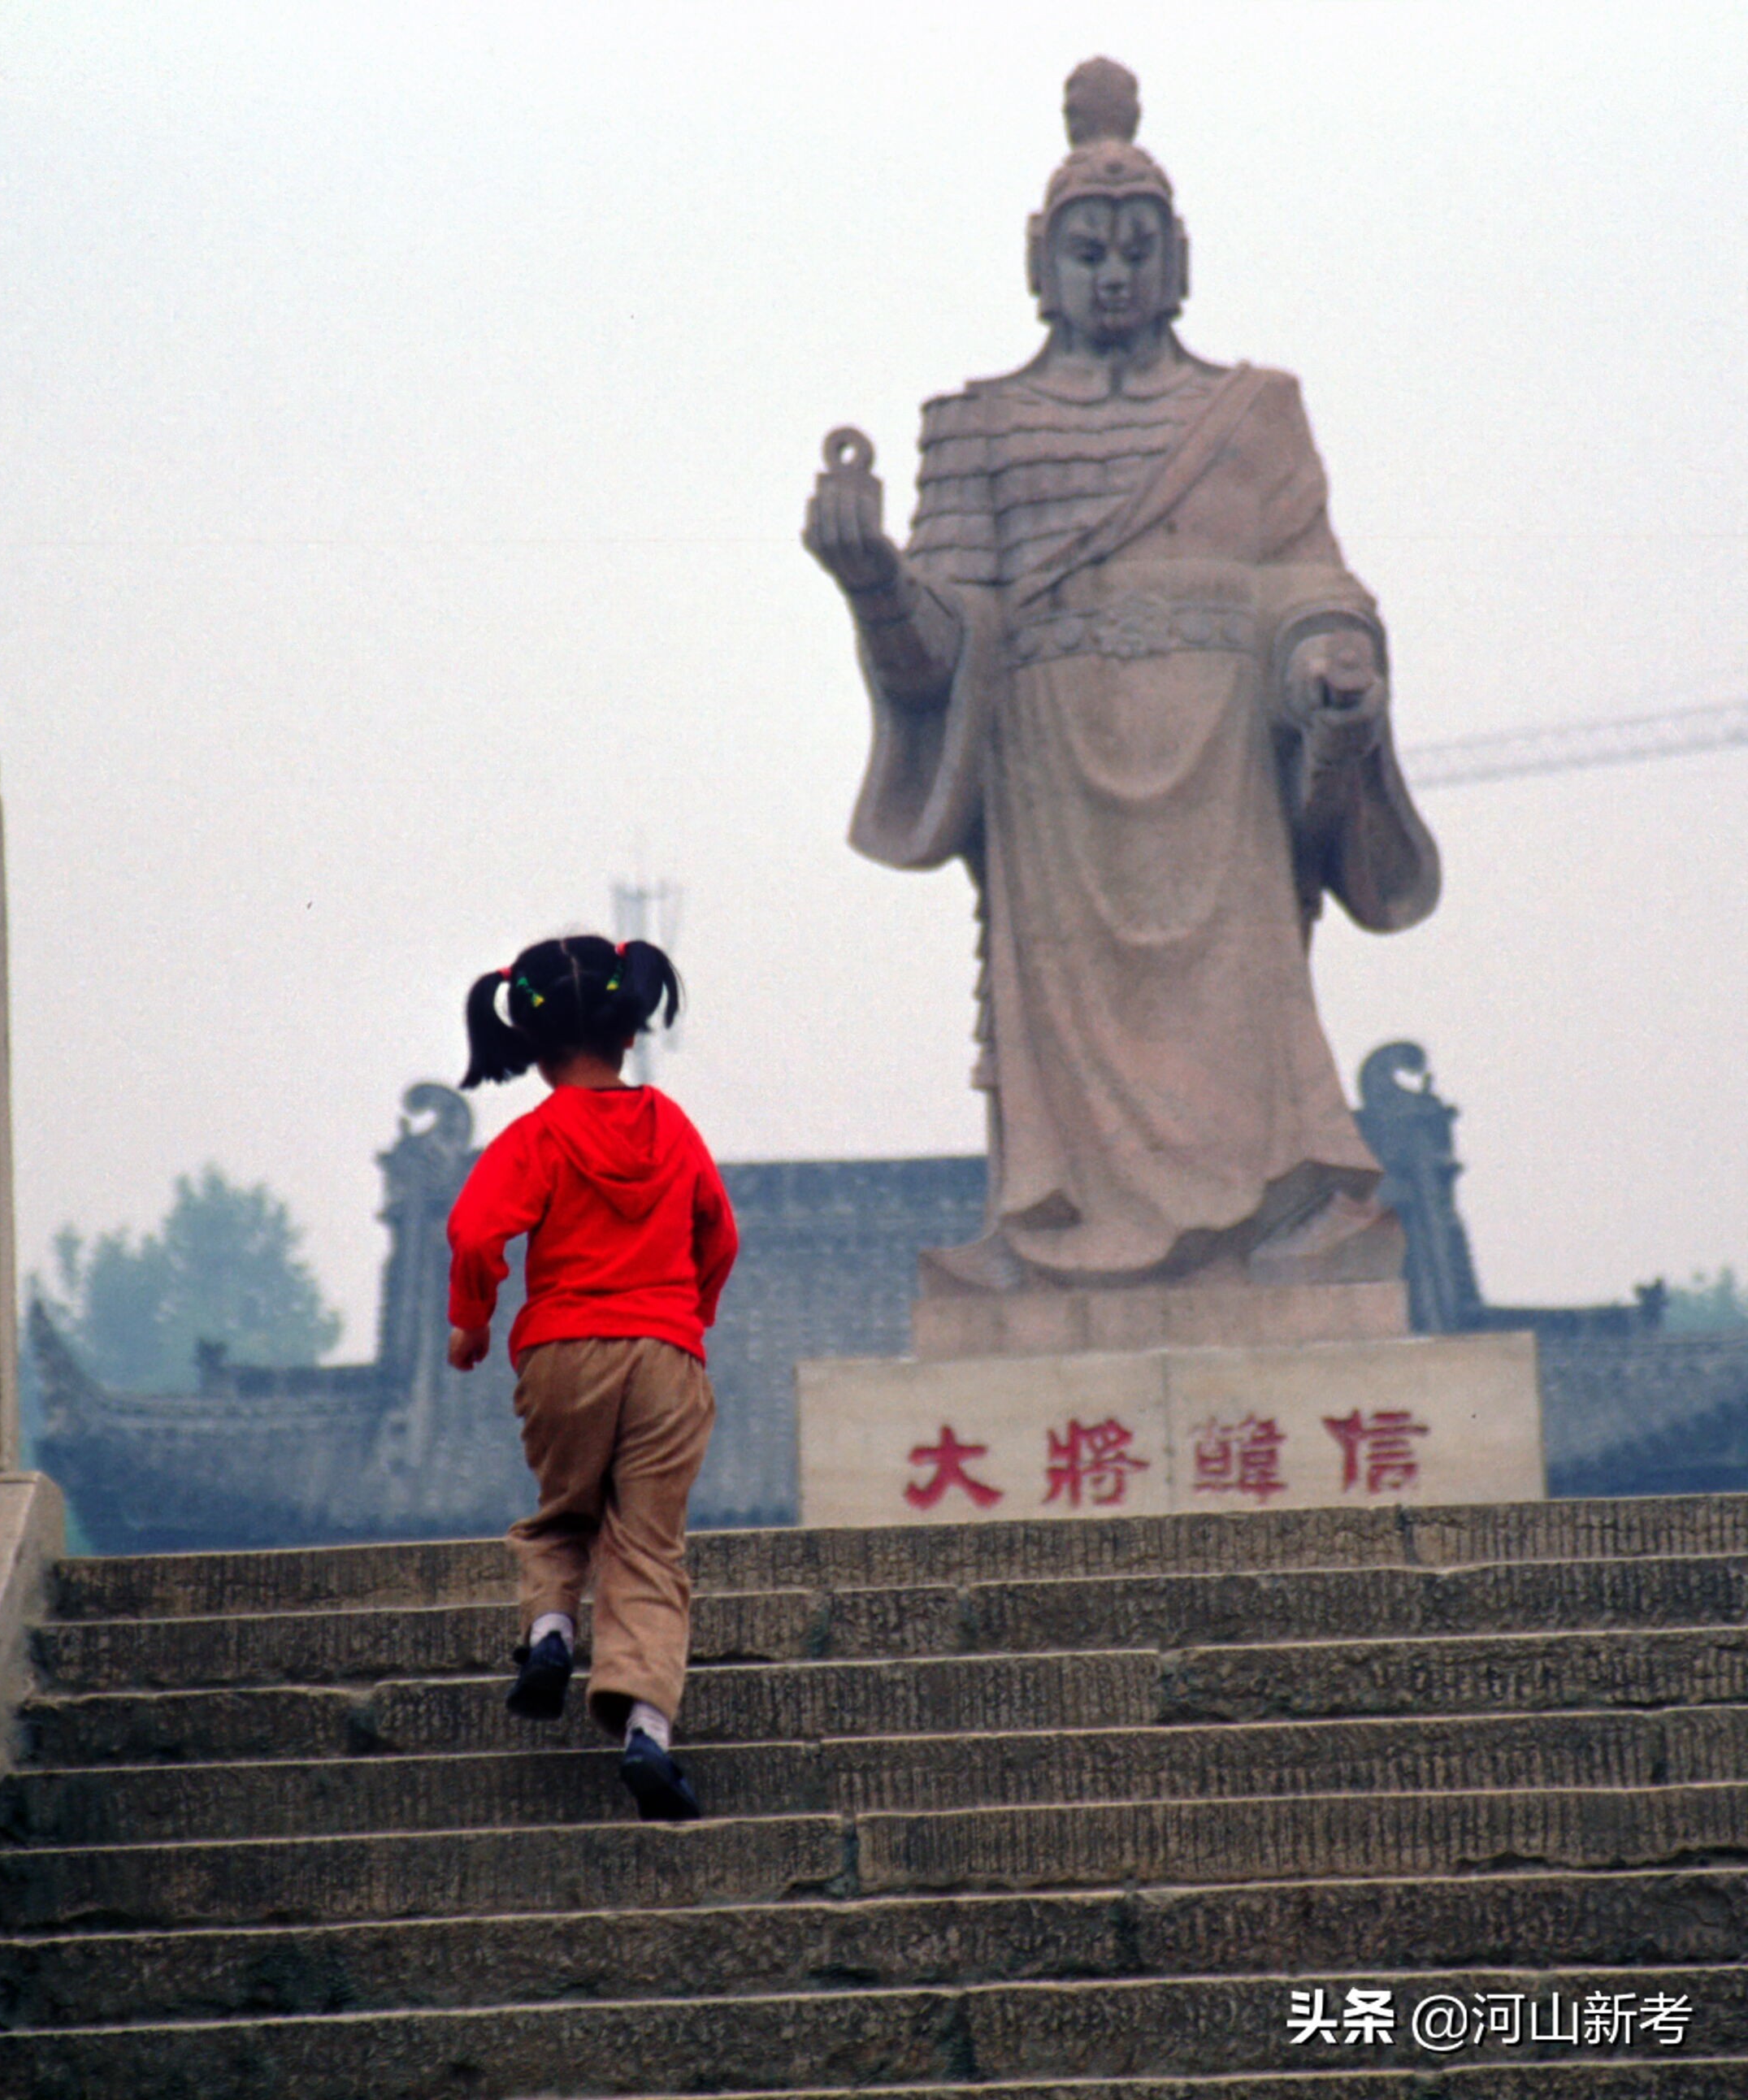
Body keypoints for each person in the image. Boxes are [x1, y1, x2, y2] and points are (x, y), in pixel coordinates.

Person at [803, 58, 1439, 1296]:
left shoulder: (1254, 413)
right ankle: (1057, 1227)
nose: (1112, 270)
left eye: (1136, 244)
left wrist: (1330, 659)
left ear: (1178, 256)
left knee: (1245, 993)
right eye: (1087, 246)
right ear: (1040, 258)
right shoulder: (976, 427)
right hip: (1052, 775)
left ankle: (1281, 1208)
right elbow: (940, 652)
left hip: (1218, 766)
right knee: (1062, 1032)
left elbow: (1310, 578)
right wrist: (872, 575)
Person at [446, 933, 738, 1820]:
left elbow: (472, 1232)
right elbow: (719, 1236)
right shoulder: (672, 1126)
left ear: (530, 1049)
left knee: (565, 1512)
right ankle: (647, 1729)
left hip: (563, 1350)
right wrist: (690, 1320)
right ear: (629, 1032)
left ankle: (549, 1630)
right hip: (666, 1349)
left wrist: (473, 1321)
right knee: (648, 1544)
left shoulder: (536, 1136)